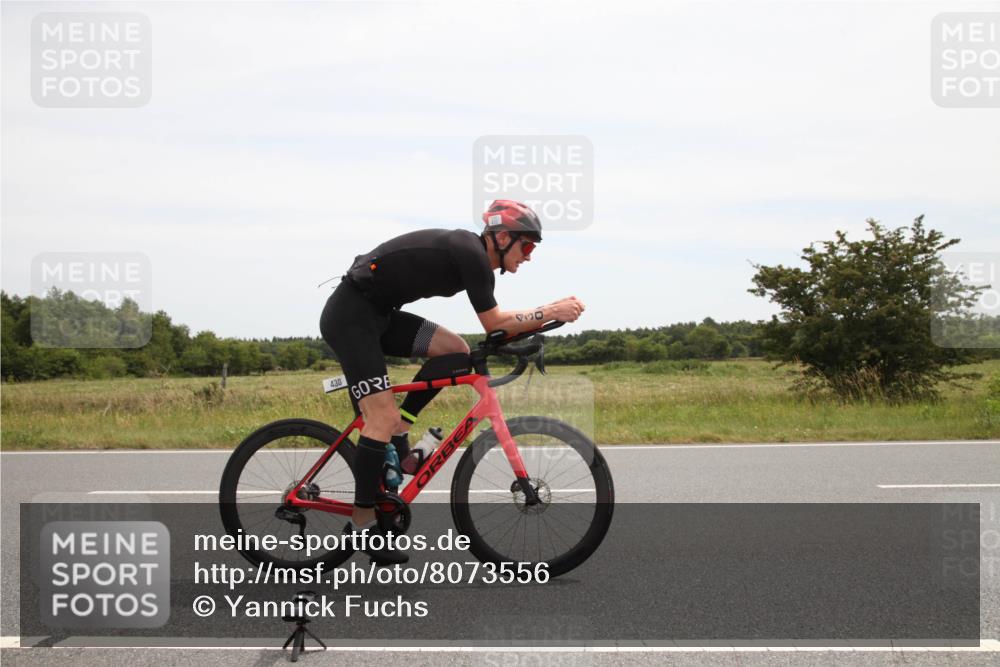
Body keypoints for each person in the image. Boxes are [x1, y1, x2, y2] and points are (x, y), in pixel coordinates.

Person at [319, 200, 584, 564]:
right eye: (527, 246)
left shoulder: (478, 264)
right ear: (503, 237)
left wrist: (535, 329)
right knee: (378, 418)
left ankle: (404, 425)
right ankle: (365, 523)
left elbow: (498, 329)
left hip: (379, 315)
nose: (529, 256)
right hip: (351, 316)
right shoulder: (469, 250)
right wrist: (550, 311)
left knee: (453, 350)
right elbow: (495, 323)